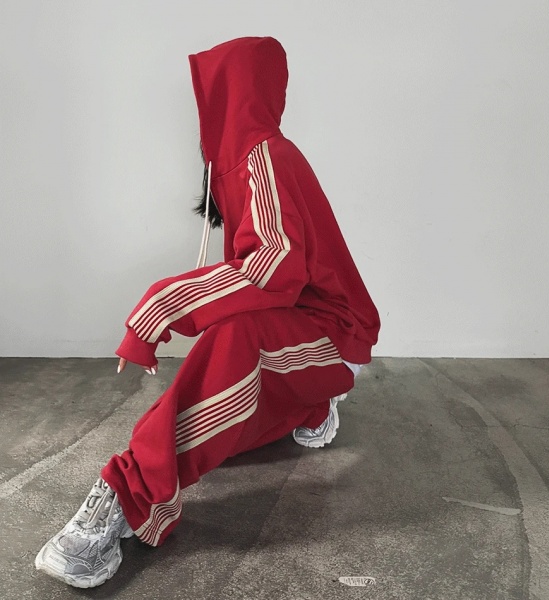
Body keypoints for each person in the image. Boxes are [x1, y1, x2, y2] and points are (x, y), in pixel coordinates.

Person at [35, 36, 380, 588]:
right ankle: (312, 405)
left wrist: (159, 306)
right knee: (229, 382)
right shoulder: (244, 164)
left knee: (235, 339)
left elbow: (273, 269)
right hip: (304, 334)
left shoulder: (265, 156)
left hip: (333, 336)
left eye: (215, 92)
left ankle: (127, 495)